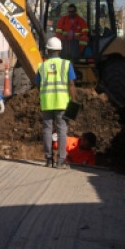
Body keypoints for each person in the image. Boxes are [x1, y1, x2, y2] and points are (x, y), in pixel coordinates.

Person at [36, 36, 77, 168]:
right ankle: (61, 161)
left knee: (47, 130)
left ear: (48, 50)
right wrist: (74, 100)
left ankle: (48, 160)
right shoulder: (66, 64)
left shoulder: (42, 66)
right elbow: (71, 84)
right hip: (62, 103)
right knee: (61, 132)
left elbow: (38, 84)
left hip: (47, 103)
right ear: (60, 50)